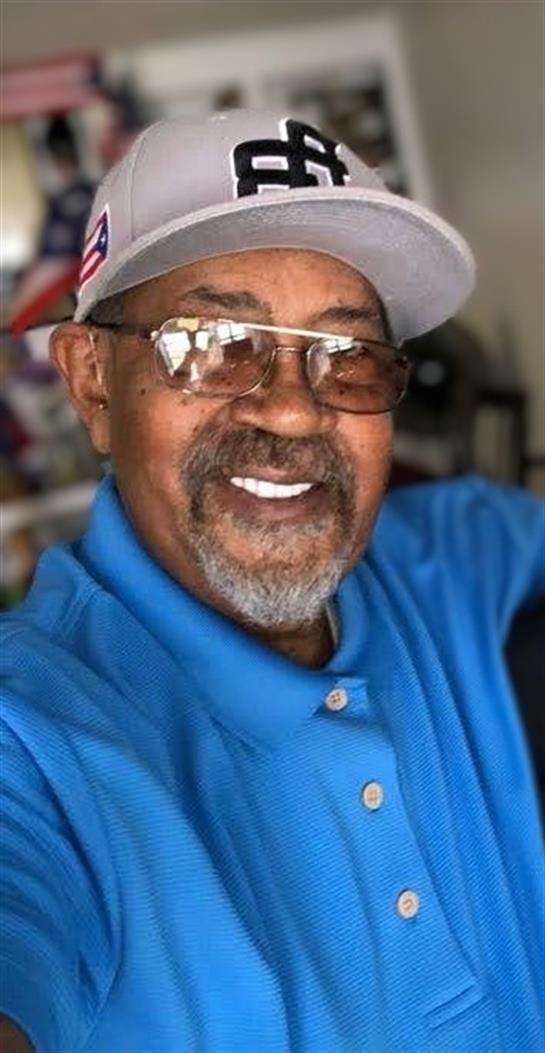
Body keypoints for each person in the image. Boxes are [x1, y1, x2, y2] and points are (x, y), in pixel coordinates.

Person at [1, 110, 543, 1053]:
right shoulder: (35, 741)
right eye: (212, 342)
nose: (294, 410)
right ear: (92, 381)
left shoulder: (448, 552)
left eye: (348, 355)